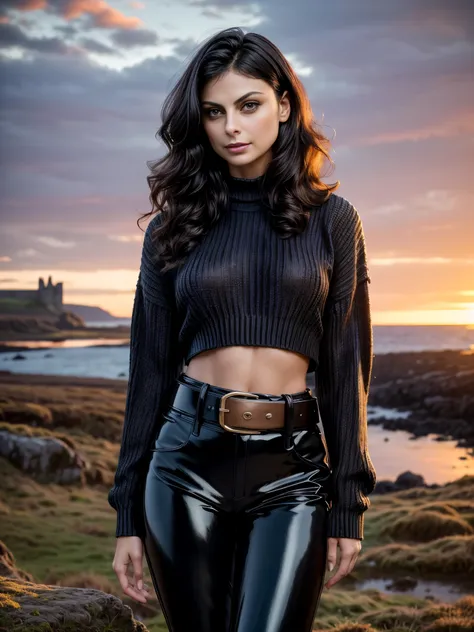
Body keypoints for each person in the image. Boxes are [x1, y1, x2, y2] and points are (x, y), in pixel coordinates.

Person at [108, 26, 376, 632]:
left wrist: (348, 508)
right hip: (183, 466)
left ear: (284, 105)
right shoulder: (172, 228)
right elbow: (148, 372)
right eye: (214, 112)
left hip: (294, 472)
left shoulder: (334, 221)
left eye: (248, 105)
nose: (232, 126)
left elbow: (347, 368)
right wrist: (126, 513)